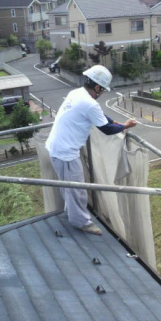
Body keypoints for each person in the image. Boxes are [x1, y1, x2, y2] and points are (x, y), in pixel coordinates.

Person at [46, 65, 137, 235]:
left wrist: (117, 123)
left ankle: (71, 213)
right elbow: (106, 129)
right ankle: (81, 222)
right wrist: (124, 126)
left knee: (67, 187)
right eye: (102, 90)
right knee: (78, 189)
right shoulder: (89, 104)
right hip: (66, 154)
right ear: (97, 87)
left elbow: (101, 116)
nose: (102, 93)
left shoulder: (77, 93)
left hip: (56, 148)